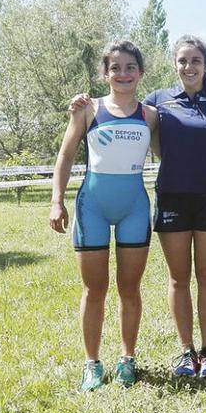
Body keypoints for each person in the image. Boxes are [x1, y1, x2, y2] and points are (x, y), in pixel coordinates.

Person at [50, 40, 158, 391]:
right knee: (94, 289)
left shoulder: (150, 115)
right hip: (93, 205)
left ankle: (127, 359)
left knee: (130, 287)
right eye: (115, 68)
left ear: (140, 73)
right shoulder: (87, 110)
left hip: (134, 208)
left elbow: (171, 154)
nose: (123, 74)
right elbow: (65, 157)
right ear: (105, 73)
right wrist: (56, 201)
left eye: (130, 68)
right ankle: (92, 363)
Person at [143, 36, 206, 378]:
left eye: (195, 60)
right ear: (174, 64)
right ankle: (185, 351)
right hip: (172, 196)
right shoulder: (157, 102)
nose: (189, 67)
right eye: (183, 60)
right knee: (179, 278)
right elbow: (122, 111)